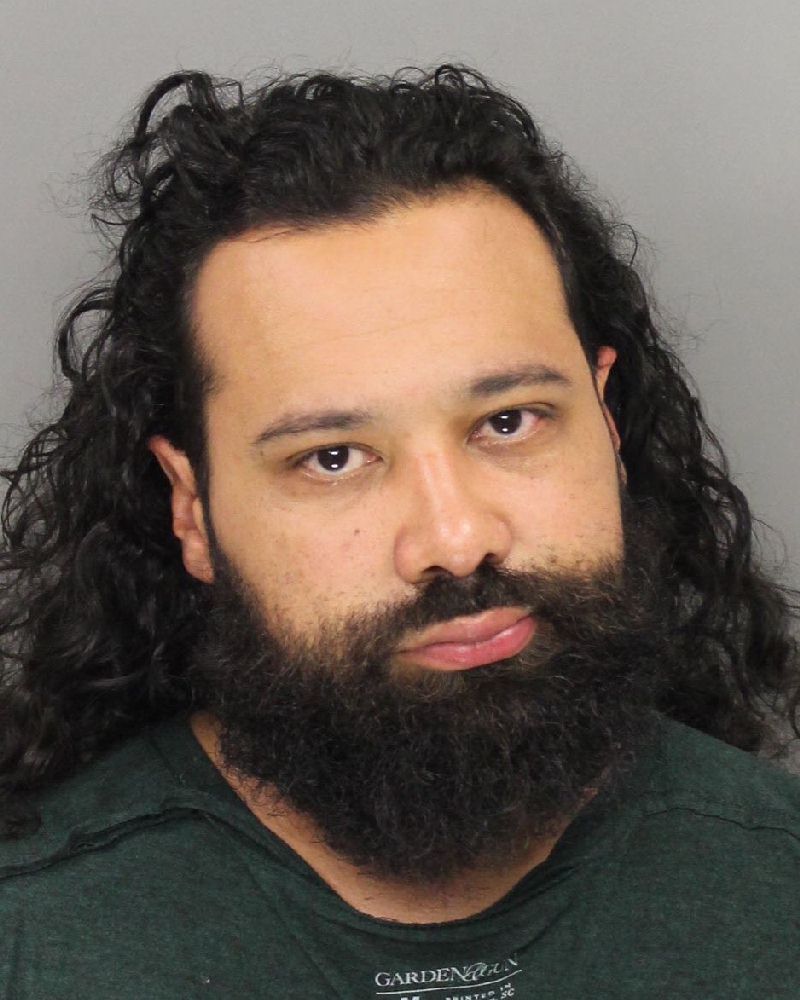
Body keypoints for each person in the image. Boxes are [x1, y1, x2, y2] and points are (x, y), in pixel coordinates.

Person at [0, 63, 798, 998]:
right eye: (333, 457)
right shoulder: (30, 937)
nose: (456, 540)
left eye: (509, 422)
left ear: (608, 424)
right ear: (192, 509)